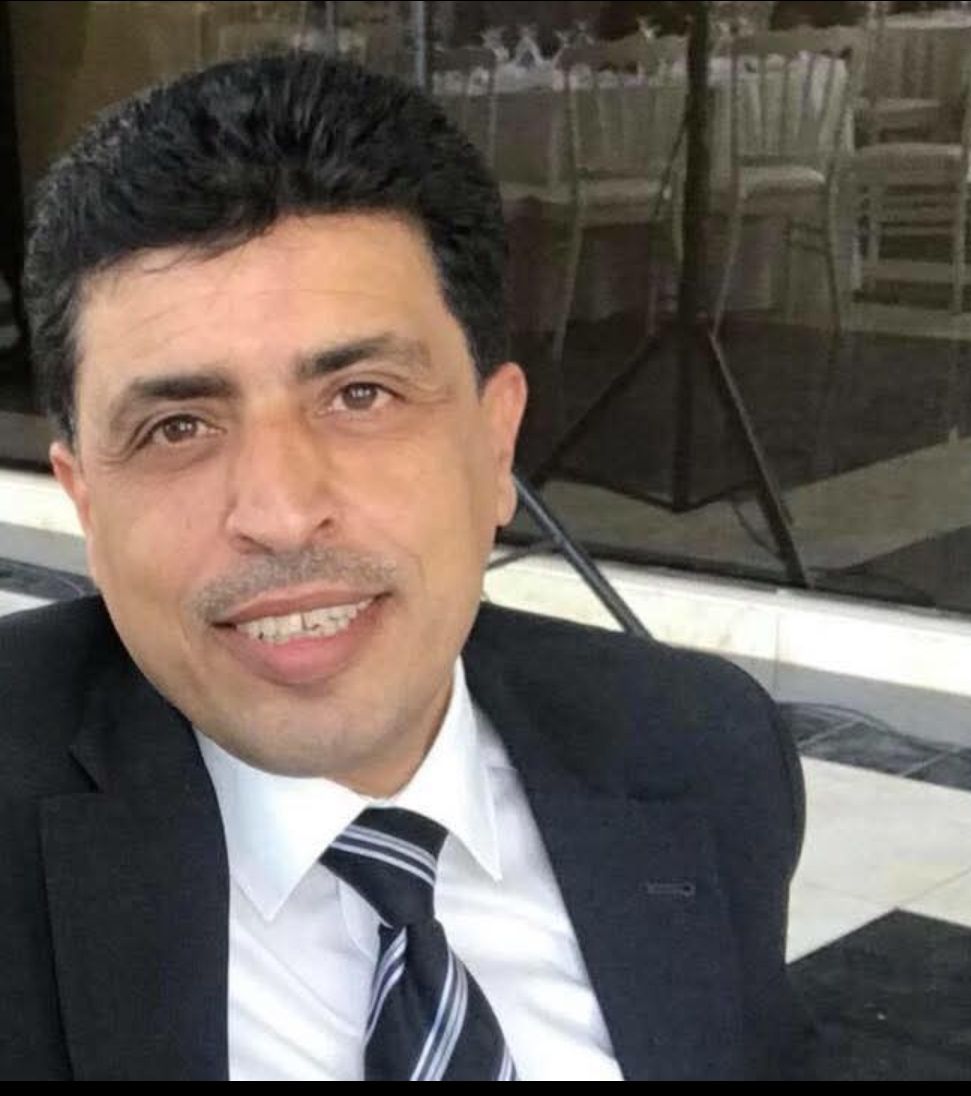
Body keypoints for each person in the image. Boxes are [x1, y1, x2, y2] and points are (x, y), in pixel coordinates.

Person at [0, 52, 806, 1081]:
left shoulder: (703, 752)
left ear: (495, 444)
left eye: (361, 395)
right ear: (85, 502)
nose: (280, 514)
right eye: (178, 427)